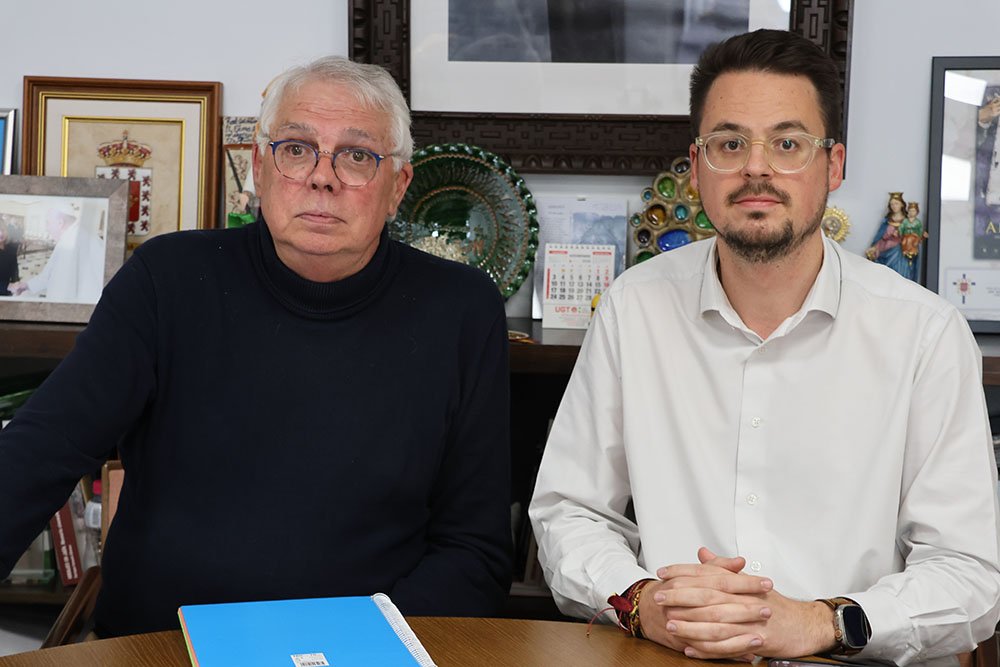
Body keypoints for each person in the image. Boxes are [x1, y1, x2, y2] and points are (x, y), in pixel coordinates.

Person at [529, 28, 1000, 665]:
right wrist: (641, 601)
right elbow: (569, 511)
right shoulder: (633, 307)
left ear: (833, 164)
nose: (756, 167)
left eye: (787, 143)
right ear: (695, 168)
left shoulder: (924, 333)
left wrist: (819, 623)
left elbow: (969, 575)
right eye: (729, 143)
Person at [0, 56, 512, 637]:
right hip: (165, 643)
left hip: (363, 649)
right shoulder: (167, 280)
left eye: (357, 155)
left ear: (397, 187)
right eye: (296, 148)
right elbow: (38, 453)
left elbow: (476, 551)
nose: (322, 177)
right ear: (259, 171)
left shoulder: (461, 310)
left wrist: (357, 643)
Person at [8, 203, 105, 303]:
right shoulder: (66, 238)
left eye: (48, 223)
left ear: (60, 223)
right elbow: (48, 275)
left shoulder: (87, 241)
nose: (47, 228)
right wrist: (26, 285)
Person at [865, 192, 918, 281]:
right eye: (892, 204)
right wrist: (874, 248)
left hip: (900, 253)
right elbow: (880, 237)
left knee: (899, 275)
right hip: (885, 250)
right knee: (885, 275)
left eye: (896, 203)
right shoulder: (887, 221)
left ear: (901, 205)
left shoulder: (907, 221)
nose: (894, 206)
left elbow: (912, 236)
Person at [0, 219, 18, 295]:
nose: (1, 233)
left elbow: (14, 267)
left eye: (3, 230)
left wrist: (15, 282)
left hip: (8, 288)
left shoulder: (11, 247)